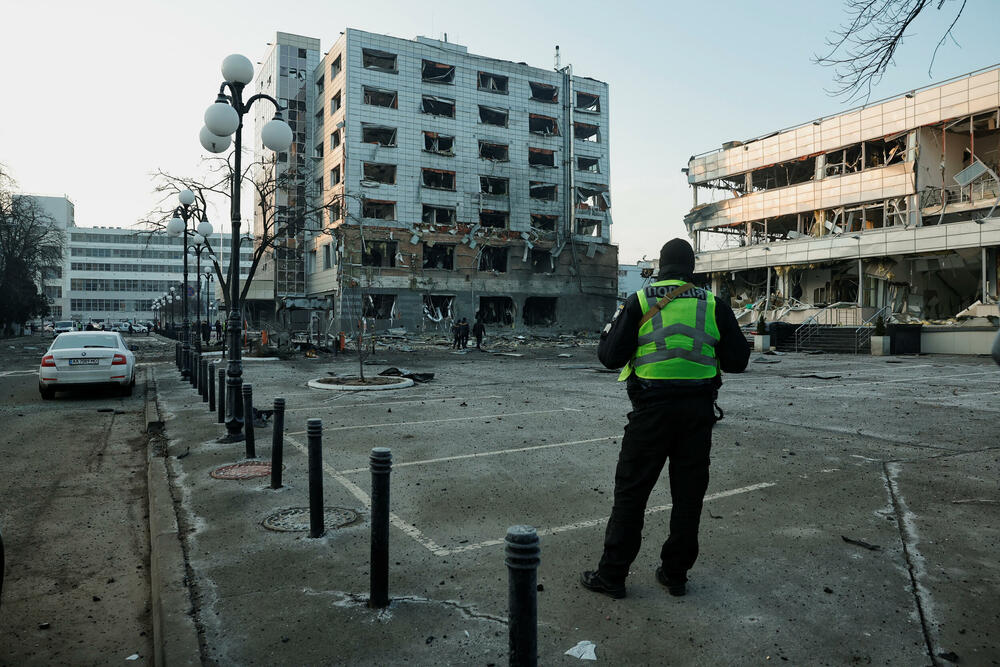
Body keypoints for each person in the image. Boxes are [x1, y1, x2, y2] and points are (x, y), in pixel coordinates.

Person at [580, 238, 750, 599]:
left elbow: (610, 357)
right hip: (697, 415)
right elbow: (738, 361)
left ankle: (612, 577)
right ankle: (675, 574)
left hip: (651, 413)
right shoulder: (713, 305)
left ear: (660, 266)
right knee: (688, 499)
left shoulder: (640, 301)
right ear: (692, 269)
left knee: (631, 495)